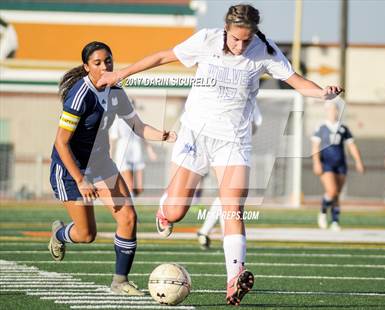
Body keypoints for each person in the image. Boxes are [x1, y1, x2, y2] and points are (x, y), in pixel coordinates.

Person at [98, 4, 343, 305]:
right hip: (194, 136)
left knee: (233, 210)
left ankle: (234, 278)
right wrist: (120, 74)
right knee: (176, 211)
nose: (240, 46)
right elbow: (163, 56)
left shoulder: (264, 51)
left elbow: (296, 80)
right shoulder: (207, 40)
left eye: (246, 40)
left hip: (233, 142)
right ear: (226, 29)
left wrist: (322, 93)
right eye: (235, 39)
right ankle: (165, 210)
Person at [48, 41, 176, 296]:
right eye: (97, 63)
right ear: (87, 67)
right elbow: (61, 143)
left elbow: (137, 126)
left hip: (101, 164)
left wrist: (163, 135)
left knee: (128, 217)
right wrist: (81, 179)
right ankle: (60, 234)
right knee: (86, 234)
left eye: (108, 60)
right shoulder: (79, 96)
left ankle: (120, 282)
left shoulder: (117, 91)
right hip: (70, 168)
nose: (105, 66)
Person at [197, 103, 263, 250]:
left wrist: (243, 130)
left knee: (227, 196)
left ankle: (207, 231)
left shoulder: (249, 97)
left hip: (237, 150)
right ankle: (222, 234)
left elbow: (256, 124)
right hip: (219, 148)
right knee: (228, 196)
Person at [311, 101, 364, 231]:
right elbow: (315, 147)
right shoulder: (321, 127)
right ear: (326, 111)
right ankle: (323, 212)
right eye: (330, 109)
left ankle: (335, 221)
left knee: (337, 194)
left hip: (341, 164)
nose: (333, 112)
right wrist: (316, 162)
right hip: (326, 164)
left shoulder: (343, 128)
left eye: (335, 110)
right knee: (332, 191)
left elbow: (352, 146)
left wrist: (358, 161)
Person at [109, 110, 158, 198]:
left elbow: (143, 134)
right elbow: (113, 140)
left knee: (139, 188)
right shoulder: (117, 121)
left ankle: (131, 202)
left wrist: (150, 150)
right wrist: (110, 156)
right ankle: (129, 207)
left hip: (136, 152)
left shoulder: (136, 119)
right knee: (130, 186)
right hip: (123, 153)